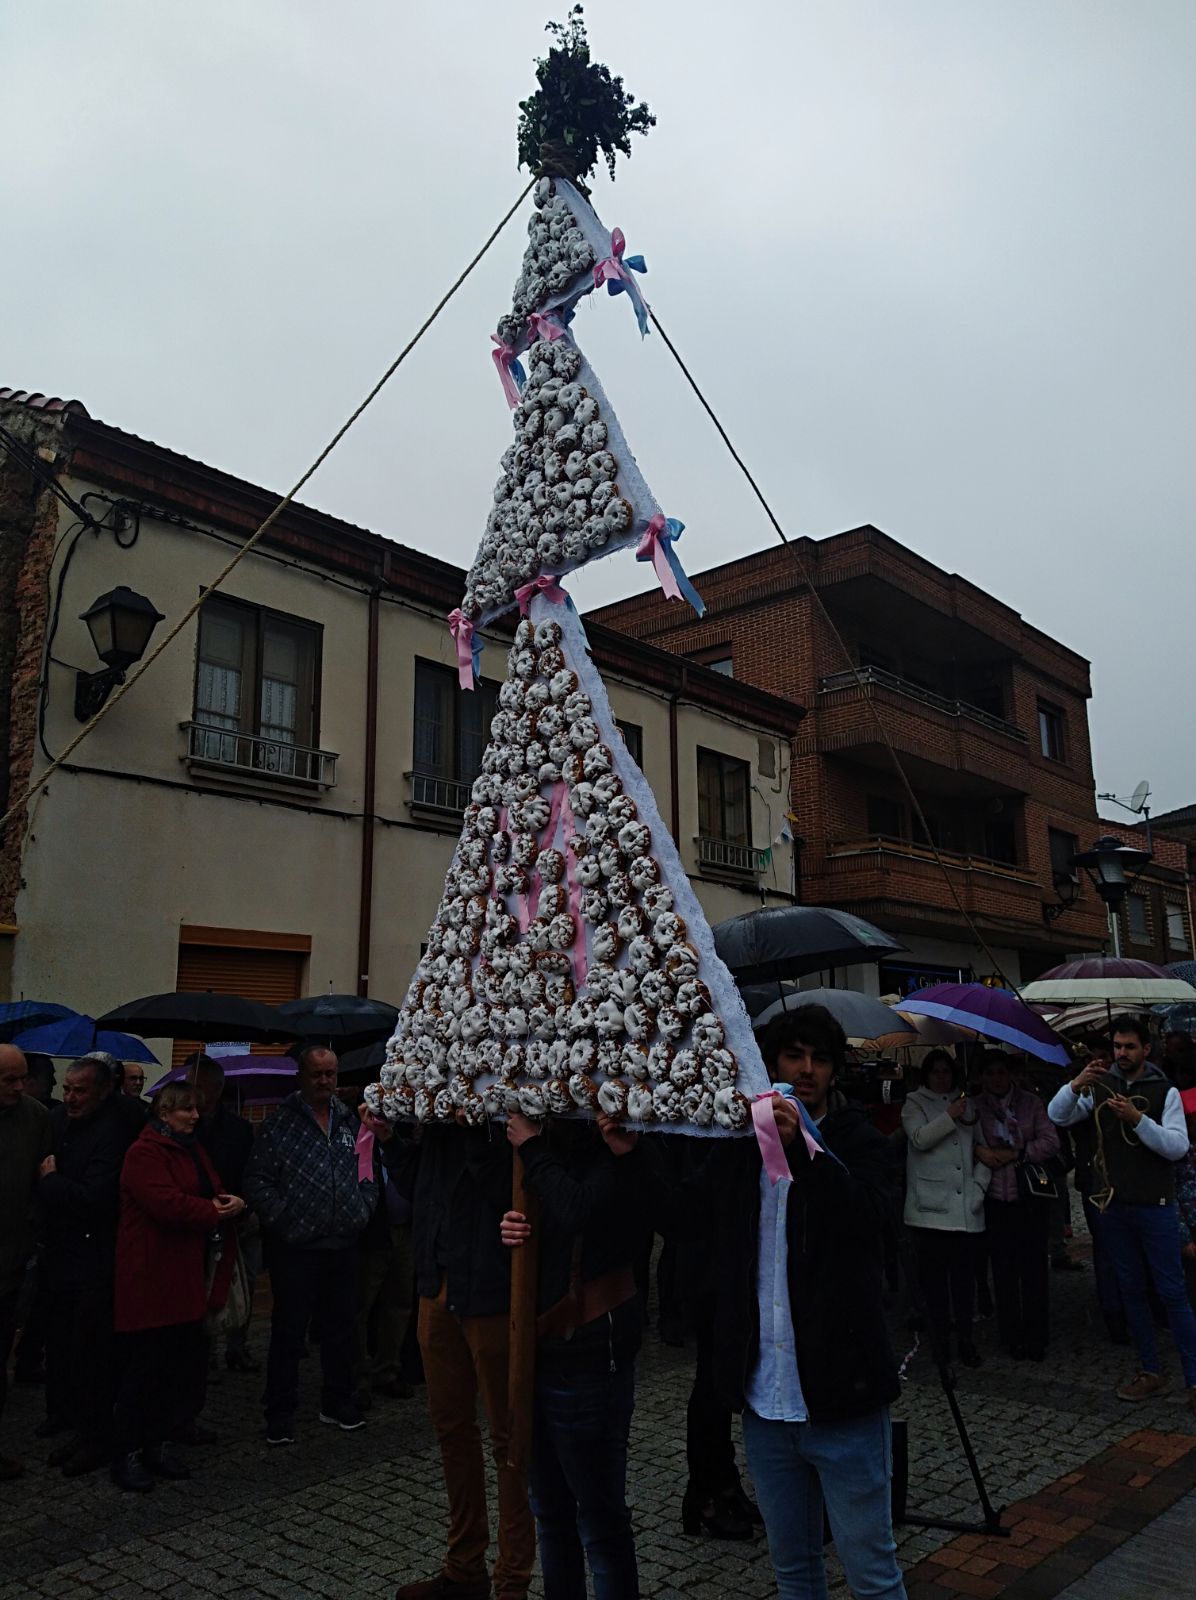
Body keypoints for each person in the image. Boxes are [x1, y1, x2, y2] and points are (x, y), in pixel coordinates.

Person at [641, 1004, 906, 1600]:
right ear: (772, 1062)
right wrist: (634, 1153)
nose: (807, 1069)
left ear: (835, 1071)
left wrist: (806, 1155)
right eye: (794, 1056)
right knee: (793, 1571)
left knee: (872, 1574)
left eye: (820, 1059)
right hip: (767, 1403)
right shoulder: (741, 1148)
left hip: (844, 1400)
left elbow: (872, 1223)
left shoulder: (858, 1138)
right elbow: (683, 1216)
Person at [500, 1113, 645, 1600]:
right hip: (542, 1349)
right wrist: (512, 1227)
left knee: (599, 1519)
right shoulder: (546, 1143)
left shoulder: (616, 1140)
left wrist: (533, 1149)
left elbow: (578, 1207)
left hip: (590, 1355)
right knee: (552, 1513)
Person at [391, 1115, 534, 1600]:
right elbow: (415, 1189)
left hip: (490, 1288)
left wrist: (475, 1125)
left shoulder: (505, 1113)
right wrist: (394, 1139)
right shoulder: (432, 1119)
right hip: (437, 1282)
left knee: (509, 1439)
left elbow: (507, 1189)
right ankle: (464, 1565)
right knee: (451, 1429)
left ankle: (512, 1579)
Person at [1049, 1015, 1196, 1407]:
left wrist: (1137, 1120)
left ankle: (1194, 1377)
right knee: (1131, 1289)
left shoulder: (1164, 1090)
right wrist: (1076, 1084)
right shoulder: (1101, 1084)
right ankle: (1151, 1370)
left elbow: (1177, 1147)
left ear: (1146, 1050)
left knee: (1171, 1291)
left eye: (1129, 1046)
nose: (1121, 1053)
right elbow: (1058, 1116)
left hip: (1155, 1205)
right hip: (1113, 1204)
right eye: (1117, 1046)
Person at [110, 1082, 245, 1490]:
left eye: (196, 1108)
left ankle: (158, 1443)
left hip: (185, 1273)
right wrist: (215, 1211)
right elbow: (166, 1204)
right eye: (186, 1109)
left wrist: (229, 1201)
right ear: (164, 1113)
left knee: (174, 1369)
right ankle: (127, 1452)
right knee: (143, 1371)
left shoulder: (191, 1147)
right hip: (151, 1276)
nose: (194, 1116)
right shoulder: (144, 1153)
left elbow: (208, 1185)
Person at [244, 1046, 377, 1443]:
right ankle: (279, 1411)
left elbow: (367, 1168)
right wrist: (285, 1219)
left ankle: (337, 1401)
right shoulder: (278, 1126)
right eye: (317, 1074)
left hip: (343, 1243)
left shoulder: (349, 1122)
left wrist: (363, 1206)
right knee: (289, 1332)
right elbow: (257, 1181)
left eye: (331, 1074)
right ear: (301, 1077)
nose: (325, 1082)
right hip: (297, 1248)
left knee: (341, 1329)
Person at [37, 1053, 139, 1476]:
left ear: (101, 1091)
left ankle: (99, 1436)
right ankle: (73, 1422)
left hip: (95, 1261)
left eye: (80, 1090)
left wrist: (52, 1182)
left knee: (93, 1355)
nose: (71, 1097)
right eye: (66, 1089)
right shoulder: (60, 1121)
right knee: (62, 1348)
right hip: (60, 1256)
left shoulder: (113, 1132)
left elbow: (96, 1199)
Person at [901, 1050, 990, 1368]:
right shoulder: (915, 1102)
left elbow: (983, 1150)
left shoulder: (969, 1104)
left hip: (965, 1208)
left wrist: (979, 1187)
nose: (942, 1077)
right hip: (931, 1210)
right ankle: (940, 1342)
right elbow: (919, 1138)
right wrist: (949, 1115)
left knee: (965, 1285)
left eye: (946, 1071)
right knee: (935, 1286)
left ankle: (966, 1339)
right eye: (936, 1071)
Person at [972, 1051, 1059, 1361]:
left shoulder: (1030, 1103)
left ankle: (1037, 1337)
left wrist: (1019, 1154)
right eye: (990, 1072)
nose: (997, 1078)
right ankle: (1011, 1337)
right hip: (995, 1198)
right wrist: (983, 1151)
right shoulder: (976, 1107)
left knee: (1034, 1271)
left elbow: (1051, 1141)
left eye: (1001, 1072)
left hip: (1029, 1197)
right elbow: (970, 1142)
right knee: (1004, 1272)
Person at [187, 1053, 258, 1373]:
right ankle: (206, 1351)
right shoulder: (182, 1126)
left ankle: (237, 1345)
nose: (193, 1092)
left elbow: (250, 1171)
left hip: (234, 1217)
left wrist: (244, 1205)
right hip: (197, 1218)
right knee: (203, 1286)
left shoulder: (238, 1129)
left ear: (216, 1090)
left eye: (198, 1086)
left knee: (241, 1282)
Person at [0, 1045, 52, 1480]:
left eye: (22, 1078)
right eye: (9, 1080)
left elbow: (43, 1176)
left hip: (10, 1264)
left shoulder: (34, 1117)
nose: (19, 1086)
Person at [352, 1104, 414, 1409]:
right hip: (371, 1232)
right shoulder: (357, 1134)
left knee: (399, 1303)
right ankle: (357, 1378)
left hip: (403, 1230)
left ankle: (387, 1370)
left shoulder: (404, 1129)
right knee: (361, 1306)